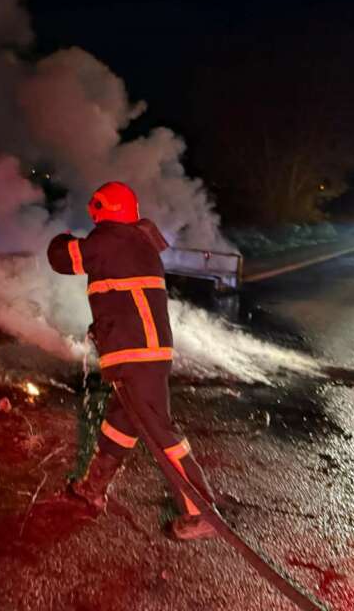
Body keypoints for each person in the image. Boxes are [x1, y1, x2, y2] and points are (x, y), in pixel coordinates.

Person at [47, 181, 217, 541]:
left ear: (102, 209)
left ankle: (201, 512)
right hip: (141, 352)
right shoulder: (137, 244)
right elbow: (120, 299)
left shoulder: (110, 240)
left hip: (137, 354)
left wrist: (59, 236)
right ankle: (93, 488)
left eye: (95, 208)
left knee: (160, 432)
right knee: (120, 424)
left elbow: (62, 259)